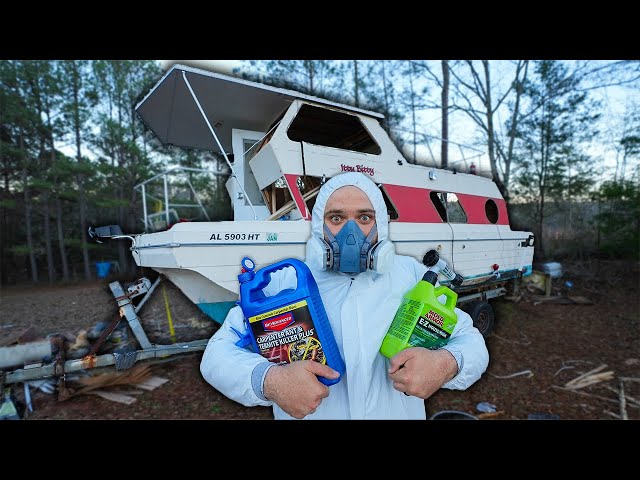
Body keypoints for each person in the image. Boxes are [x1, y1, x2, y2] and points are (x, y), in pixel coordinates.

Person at [200, 172, 489, 419]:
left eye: (364, 217)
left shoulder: (412, 278)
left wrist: (445, 364)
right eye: (336, 218)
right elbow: (217, 354)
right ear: (318, 226)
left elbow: (471, 341)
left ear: (381, 226)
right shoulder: (285, 282)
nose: (351, 233)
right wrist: (271, 381)